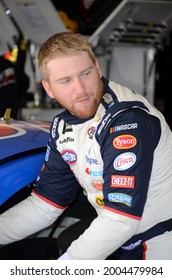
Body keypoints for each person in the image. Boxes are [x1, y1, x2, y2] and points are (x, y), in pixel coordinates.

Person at [0, 31, 172, 260]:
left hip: (158, 241)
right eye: (66, 81)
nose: (80, 89)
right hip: (120, 239)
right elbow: (45, 204)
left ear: (98, 69)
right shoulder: (62, 125)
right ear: (49, 89)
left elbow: (121, 218)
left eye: (86, 74)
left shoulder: (127, 119)